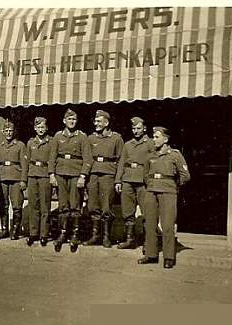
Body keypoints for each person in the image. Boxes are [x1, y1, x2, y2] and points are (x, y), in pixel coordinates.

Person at [138, 127, 190, 269]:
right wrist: (150, 185)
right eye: (153, 136)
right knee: (150, 224)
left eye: (156, 137)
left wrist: (173, 186)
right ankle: (151, 255)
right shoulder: (150, 156)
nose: (153, 139)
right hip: (151, 191)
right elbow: (145, 175)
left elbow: (185, 176)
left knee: (167, 225)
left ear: (165, 139)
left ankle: (168, 257)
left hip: (168, 192)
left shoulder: (175, 155)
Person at [81, 110, 124, 248]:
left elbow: (121, 161)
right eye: (95, 121)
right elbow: (87, 158)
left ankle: (106, 237)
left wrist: (118, 180)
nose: (96, 124)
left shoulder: (116, 138)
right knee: (93, 205)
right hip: (93, 175)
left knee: (106, 206)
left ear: (106, 122)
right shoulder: (90, 138)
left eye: (99, 121)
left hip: (108, 175)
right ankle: (95, 236)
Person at [48, 109, 87, 253]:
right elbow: (52, 157)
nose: (72, 122)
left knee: (75, 205)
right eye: (69, 119)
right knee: (63, 205)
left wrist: (83, 176)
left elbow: (87, 158)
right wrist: (51, 174)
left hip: (76, 174)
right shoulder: (58, 137)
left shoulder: (82, 137)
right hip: (60, 174)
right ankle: (63, 232)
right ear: (64, 121)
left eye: (74, 119)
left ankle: (75, 234)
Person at [114, 116, 154, 249]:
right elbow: (121, 163)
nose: (135, 131)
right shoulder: (127, 144)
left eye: (138, 128)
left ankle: (147, 241)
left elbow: (154, 162)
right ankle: (129, 239)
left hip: (143, 181)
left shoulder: (150, 144)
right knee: (127, 211)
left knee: (147, 211)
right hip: (127, 180)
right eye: (133, 128)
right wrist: (118, 180)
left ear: (144, 129)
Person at [0, 120, 27, 240]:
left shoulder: (20, 145)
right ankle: (4, 230)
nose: (8, 133)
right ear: (3, 132)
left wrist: (23, 180)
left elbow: (24, 164)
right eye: (6, 131)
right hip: (2, 178)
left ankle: (15, 231)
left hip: (16, 179)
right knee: (3, 205)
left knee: (17, 205)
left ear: (14, 132)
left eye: (11, 131)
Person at [24, 117, 52, 247]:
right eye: (38, 127)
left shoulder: (51, 142)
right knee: (33, 205)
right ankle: (33, 233)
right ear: (35, 128)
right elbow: (26, 161)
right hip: (32, 175)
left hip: (45, 175)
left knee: (45, 206)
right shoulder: (30, 143)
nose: (41, 130)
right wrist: (24, 179)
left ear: (46, 128)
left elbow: (53, 160)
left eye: (43, 127)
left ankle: (44, 234)